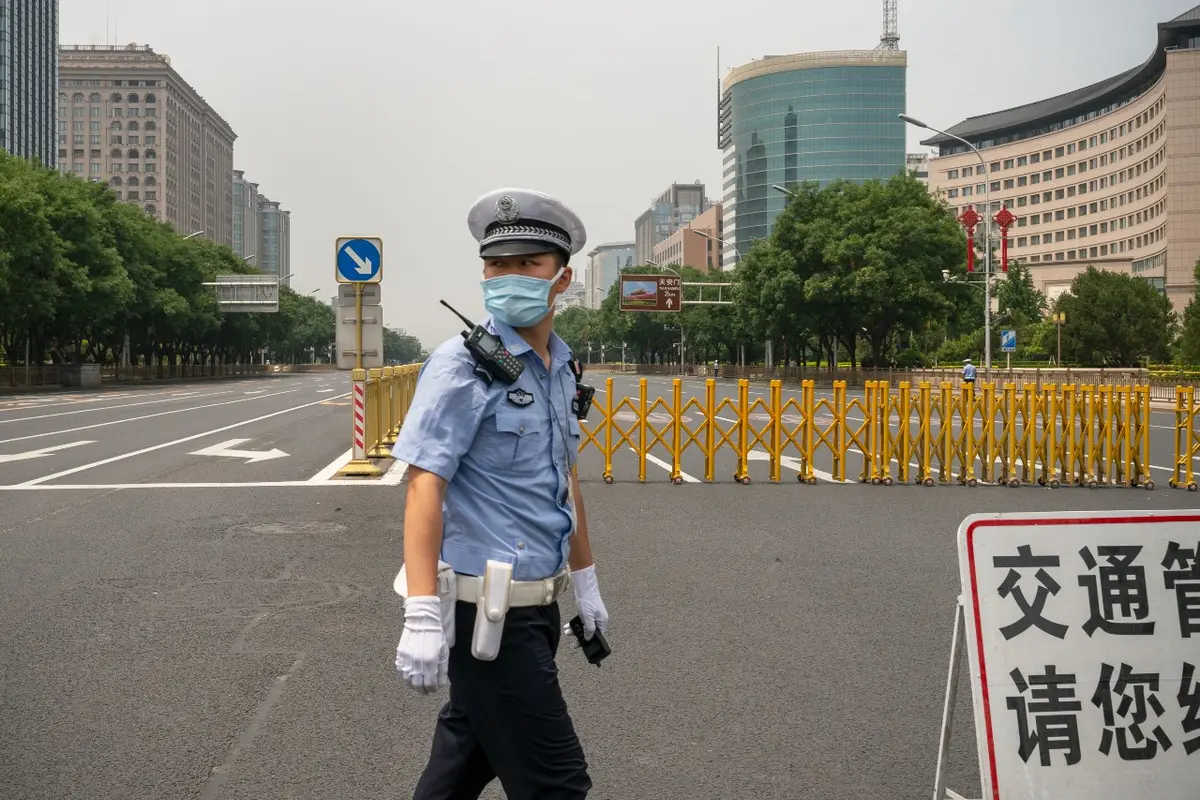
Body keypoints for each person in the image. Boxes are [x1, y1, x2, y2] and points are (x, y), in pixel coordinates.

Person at [392, 187, 609, 800]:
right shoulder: (460, 367)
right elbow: (423, 484)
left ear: (561, 279)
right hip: (487, 615)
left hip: (536, 611)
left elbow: (562, 481)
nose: (508, 277)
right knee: (558, 785)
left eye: (527, 265)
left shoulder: (560, 368)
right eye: (497, 265)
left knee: (460, 767)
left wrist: (586, 582)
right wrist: (422, 613)